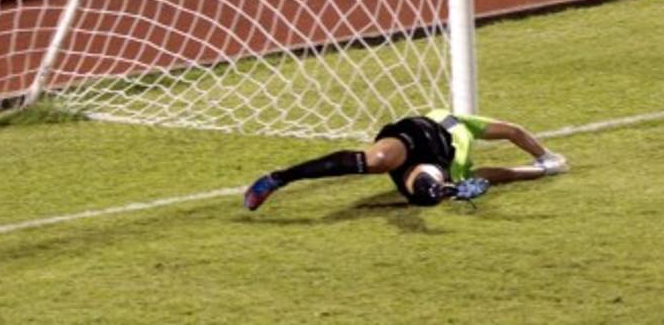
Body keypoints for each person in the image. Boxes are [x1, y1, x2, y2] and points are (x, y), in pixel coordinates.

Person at [243, 108, 568, 211]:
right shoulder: (462, 122)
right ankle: (278, 179)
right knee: (376, 159)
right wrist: (544, 154)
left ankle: (442, 193)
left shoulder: (467, 171)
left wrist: (541, 170)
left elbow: (505, 173)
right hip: (421, 131)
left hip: (433, 167)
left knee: (427, 191)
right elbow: (514, 131)